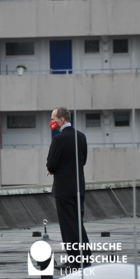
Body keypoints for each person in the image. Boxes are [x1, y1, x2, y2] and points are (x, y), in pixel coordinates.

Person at [46, 107, 92, 270]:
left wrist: (51, 169)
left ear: (62, 120)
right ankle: (85, 258)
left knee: (67, 225)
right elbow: (83, 160)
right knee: (78, 222)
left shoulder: (58, 139)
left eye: (53, 118)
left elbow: (51, 164)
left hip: (64, 189)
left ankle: (74, 259)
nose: (51, 121)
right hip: (78, 186)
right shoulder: (81, 136)